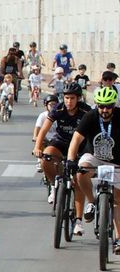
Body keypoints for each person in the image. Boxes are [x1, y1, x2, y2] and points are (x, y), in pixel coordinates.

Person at [67, 84, 120, 256]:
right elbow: (76, 139)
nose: (104, 110)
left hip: (116, 162)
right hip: (94, 157)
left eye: (108, 106)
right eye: (101, 106)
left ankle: (118, 239)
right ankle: (91, 201)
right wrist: (70, 160)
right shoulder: (90, 116)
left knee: (118, 200)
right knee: (81, 171)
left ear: (114, 105)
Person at [34, 83, 92, 215]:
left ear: (78, 99)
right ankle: (54, 186)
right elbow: (44, 129)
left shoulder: (86, 111)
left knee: (78, 179)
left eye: (72, 98)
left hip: (80, 147)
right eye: (66, 98)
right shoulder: (58, 109)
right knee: (46, 158)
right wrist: (37, 147)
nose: (69, 101)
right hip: (61, 142)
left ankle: (78, 220)